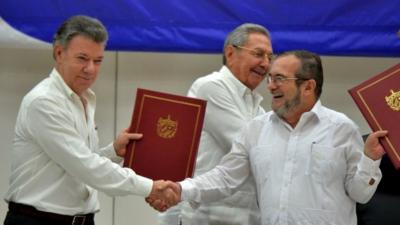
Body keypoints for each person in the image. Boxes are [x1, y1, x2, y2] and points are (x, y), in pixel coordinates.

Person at [149, 50, 388, 225]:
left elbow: (360, 193)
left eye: (279, 79)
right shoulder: (256, 130)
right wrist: (181, 189)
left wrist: (370, 159)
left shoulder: (342, 129)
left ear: (308, 86)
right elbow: (225, 177)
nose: (270, 86)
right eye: (270, 78)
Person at [3, 15, 177, 225]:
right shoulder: (44, 102)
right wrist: (151, 187)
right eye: (82, 58)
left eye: (98, 60)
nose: (91, 69)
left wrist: (114, 151)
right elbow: (86, 166)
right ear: (59, 53)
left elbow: (80, 164)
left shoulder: (84, 98)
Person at [158, 23, 273, 225]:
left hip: (243, 216)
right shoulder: (211, 87)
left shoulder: (256, 104)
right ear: (230, 53)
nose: (265, 64)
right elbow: (251, 150)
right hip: (207, 216)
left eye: (270, 57)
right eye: (258, 54)